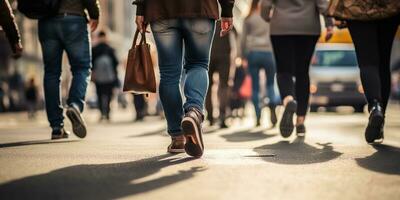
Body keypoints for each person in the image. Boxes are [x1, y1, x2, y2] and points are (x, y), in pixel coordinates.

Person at [134, 0, 235, 157]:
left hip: (162, 10)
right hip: (200, 8)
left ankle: (177, 137)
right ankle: (194, 111)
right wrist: (227, 9)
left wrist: (141, 8)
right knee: (198, 65)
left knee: (168, 75)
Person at [261, 0, 334, 138]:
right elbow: (323, 4)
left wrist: (267, 16)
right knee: (302, 72)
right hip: (308, 28)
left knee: (283, 70)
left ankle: (288, 100)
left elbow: (265, 4)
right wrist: (329, 24)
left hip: (281, 27)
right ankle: (300, 121)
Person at [38, 0, 100, 139]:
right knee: (82, 68)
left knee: (51, 73)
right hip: (74, 18)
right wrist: (95, 14)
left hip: (46, 22)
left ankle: (56, 126)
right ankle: (75, 105)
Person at [344, 10, 400, 143]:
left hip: (358, 8)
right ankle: (380, 121)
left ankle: (375, 107)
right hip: (389, 7)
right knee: (383, 61)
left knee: (367, 62)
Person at [242, 0, 279, 128]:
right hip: (269, 53)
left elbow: (243, 38)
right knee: (270, 83)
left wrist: (242, 56)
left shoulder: (249, 18)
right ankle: (272, 104)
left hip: (253, 53)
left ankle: (258, 115)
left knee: (255, 87)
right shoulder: (271, 16)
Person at [206, 20, 237, 129]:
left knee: (208, 86)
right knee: (224, 86)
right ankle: (222, 116)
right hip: (224, 55)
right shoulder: (226, 19)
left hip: (208, 53)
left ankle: (210, 117)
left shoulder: (207, 19)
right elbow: (236, 35)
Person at [92, 31, 119, 121]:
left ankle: (102, 113)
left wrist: (93, 74)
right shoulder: (110, 49)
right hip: (110, 77)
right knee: (108, 95)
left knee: (99, 94)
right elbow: (116, 63)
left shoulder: (94, 49)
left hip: (98, 77)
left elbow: (91, 64)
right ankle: (107, 113)